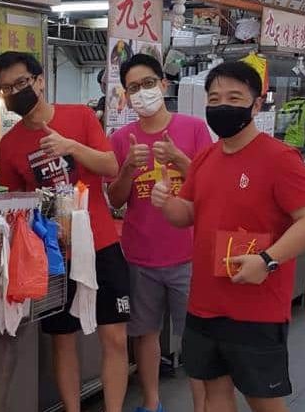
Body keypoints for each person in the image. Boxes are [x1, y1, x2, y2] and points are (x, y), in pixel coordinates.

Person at [151, 61, 305, 412]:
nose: (222, 106)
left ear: (257, 104)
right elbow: (186, 214)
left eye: (234, 97)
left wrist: (267, 260)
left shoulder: (279, 158)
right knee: (215, 391)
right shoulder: (205, 158)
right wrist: (165, 203)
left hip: (256, 306)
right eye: (214, 98)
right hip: (204, 302)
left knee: (263, 399)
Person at [0, 51, 130, 412]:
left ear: (39, 81)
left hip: (101, 244)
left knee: (114, 336)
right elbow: (14, 205)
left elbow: (112, 165)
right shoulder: (9, 145)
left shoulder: (80, 117)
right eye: (5, 89)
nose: (14, 92)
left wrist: (71, 146)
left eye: (20, 83)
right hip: (53, 256)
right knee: (62, 339)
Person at [107, 54, 211, 412]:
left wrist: (180, 158)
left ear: (164, 85)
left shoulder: (194, 128)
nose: (143, 93)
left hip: (188, 254)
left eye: (148, 84)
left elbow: (211, 184)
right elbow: (116, 199)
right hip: (140, 255)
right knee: (145, 335)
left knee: (197, 339)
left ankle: (202, 406)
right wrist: (125, 171)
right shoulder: (122, 138)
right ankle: (151, 403)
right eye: (134, 88)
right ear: (126, 95)